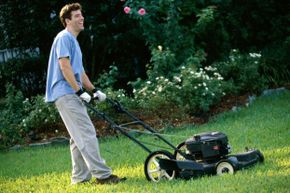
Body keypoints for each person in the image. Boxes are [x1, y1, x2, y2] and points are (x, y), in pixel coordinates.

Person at [45, 3, 125, 185]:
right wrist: (79, 91)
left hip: (69, 92)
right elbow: (64, 66)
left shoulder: (73, 41)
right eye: (77, 16)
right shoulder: (64, 37)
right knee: (87, 132)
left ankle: (80, 178)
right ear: (67, 21)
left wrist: (94, 90)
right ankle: (103, 175)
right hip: (65, 93)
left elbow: (79, 73)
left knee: (77, 137)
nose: (82, 19)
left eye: (81, 15)